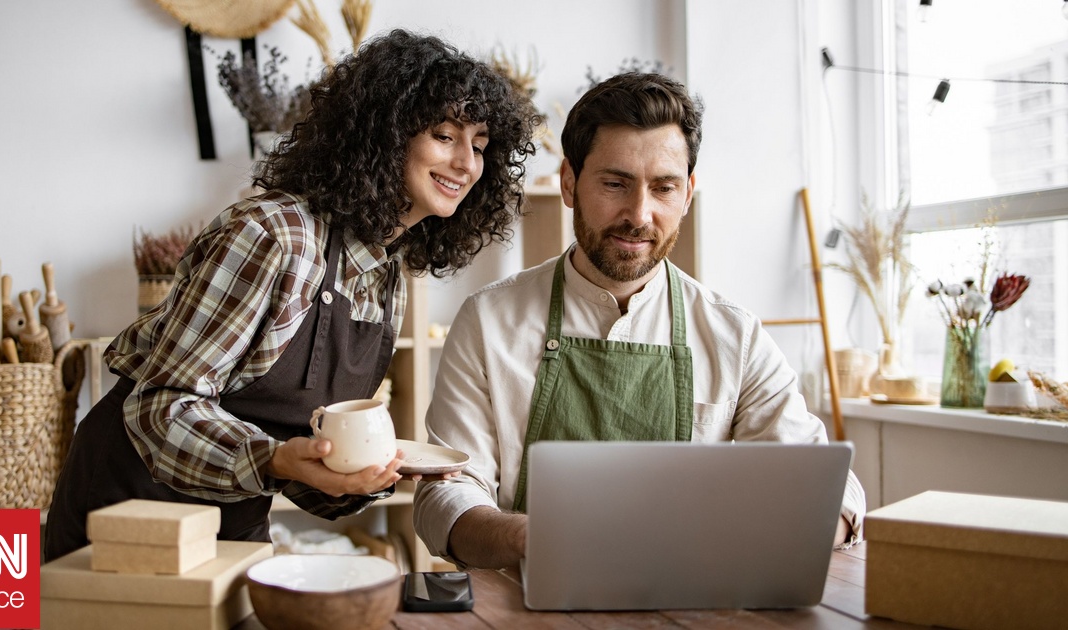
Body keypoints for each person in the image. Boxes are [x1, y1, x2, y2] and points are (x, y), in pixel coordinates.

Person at [44, 29, 541, 562]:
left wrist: (359, 471)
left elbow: (295, 461)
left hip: (231, 522)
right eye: (445, 136)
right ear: (384, 133)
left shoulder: (385, 273)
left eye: (481, 146)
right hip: (130, 509)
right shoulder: (274, 236)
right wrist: (276, 460)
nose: (467, 163)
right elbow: (160, 407)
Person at [413, 72, 866, 570]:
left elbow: (835, 488)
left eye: (664, 188)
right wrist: (529, 538)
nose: (639, 214)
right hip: (524, 608)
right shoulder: (488, 321)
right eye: (615, 183)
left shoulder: (733, 336)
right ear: (569, 182)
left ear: (688, 193)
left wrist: (790, 525)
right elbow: (444, 499)